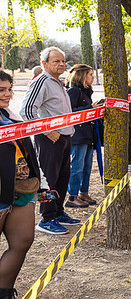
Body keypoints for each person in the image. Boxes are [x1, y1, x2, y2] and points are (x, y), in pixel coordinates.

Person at [21, 46, 81, 235]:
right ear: (44, 64)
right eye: (56, 61)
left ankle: (58, 212)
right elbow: (27, 111)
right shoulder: (42, 81)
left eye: (63, 61)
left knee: (63, 177)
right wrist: (47, 131)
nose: (61, 64)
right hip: (49, 139)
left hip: (64, 138)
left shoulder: (58, 82)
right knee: (49, 178)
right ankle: (47, 219)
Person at [0, 71, 41, 299]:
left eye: (9, 89)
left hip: (20, 189)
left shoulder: (9, 116)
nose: (7, 94)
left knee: (23, 239)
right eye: (1, 90)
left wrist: (39, 182)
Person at [65, 64, 102, 208]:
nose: (93, 77)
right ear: (81, 76)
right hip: (78, 135)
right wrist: (90, 108)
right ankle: (72, 196)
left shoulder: (86, 92)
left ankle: (84, 192)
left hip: (88, 135)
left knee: (87, 166)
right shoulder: (74, 91)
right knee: (77, 166)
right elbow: (70, 112)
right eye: (90, 74)